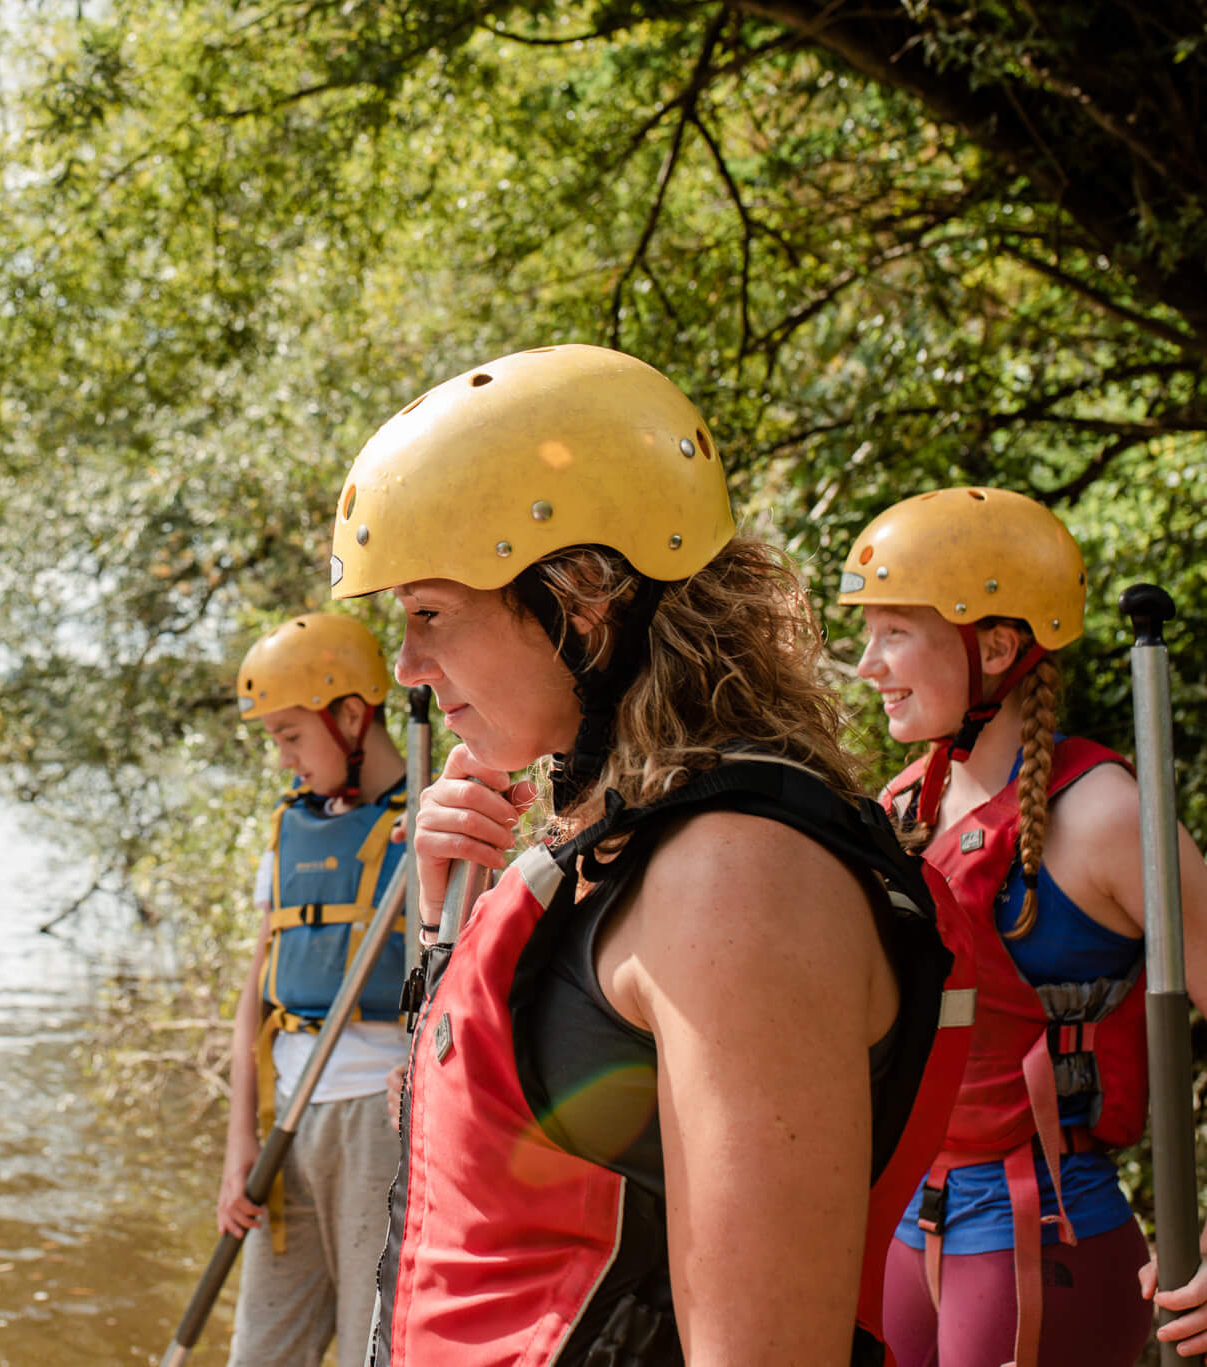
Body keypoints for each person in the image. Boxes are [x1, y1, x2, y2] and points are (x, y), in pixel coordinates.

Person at [331, 343, 971, 1367]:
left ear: (577, 597)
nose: (405, 666)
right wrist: (463, 921)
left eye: (428, 614)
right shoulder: (630, 853)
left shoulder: (737, 881)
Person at [840, 486, 1207, 1367]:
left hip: (1042, 1236)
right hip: (900, 1223)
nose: (866, 666)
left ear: (996, 645)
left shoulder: (1106, 815)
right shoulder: (898, 810)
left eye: (895, 633)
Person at [220, 611, 411, 1367]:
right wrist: (240, 1140)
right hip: (285, 1128)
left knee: (378, 1343)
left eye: (291, 737)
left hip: (381, 1123)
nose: (285, 761)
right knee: (260, 1352)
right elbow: (254, 996)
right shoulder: (287, 833)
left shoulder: (431, 826)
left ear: (353, 715)